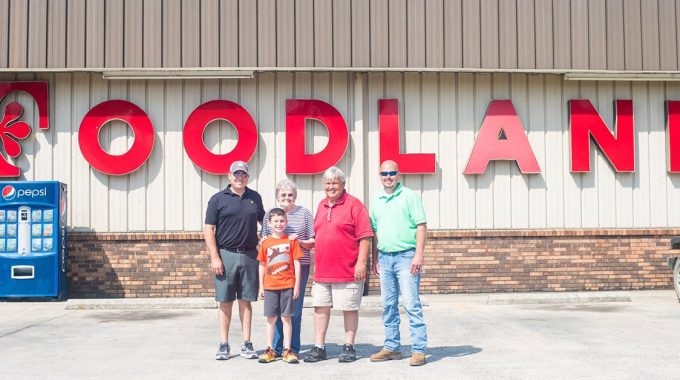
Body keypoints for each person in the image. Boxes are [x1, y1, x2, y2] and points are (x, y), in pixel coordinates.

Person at [304, 166, 374, 363]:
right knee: (320, 308)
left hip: (348, 269)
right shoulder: (321, 205)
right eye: (327, 183)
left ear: (343, 184)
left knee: (349, 308)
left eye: (335, 182)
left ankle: (349, 346)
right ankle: (319, 347)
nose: (331, 186)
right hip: (323, 270)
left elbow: (366, 236)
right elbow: (319, 235)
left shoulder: (355, 205)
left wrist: (361, 263)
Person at [369, 160, 428, 366]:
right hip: (384, 258)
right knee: (388, 305)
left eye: (392, 173)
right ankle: (392, 347)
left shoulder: (409, 196)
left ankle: (419, 350)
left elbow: (421, 226)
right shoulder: (376, 200)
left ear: (398, 174)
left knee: (411, 304)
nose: (388, 177)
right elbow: (375, 231)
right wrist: (375, 258)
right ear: (380, 175)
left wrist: (418, 255)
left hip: (406, 257)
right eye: (384, 173)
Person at [204, 160, 265, 360]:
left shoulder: (254, 198)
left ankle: (247, 343)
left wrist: (265, 243)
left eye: (243, 174)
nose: (240, 177)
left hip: (249, 255)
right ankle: (224, 344)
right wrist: (215, 257)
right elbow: (208, 229)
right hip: (226, 255)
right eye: (236, 174)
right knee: (225, 300)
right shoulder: (217, 199)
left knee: (246, 301)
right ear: (229, 176)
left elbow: (265, 224)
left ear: (248, 177)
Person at [260, 180, 315, 356]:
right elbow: (264, 241)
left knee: (294, 310)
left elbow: (313, 240)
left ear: (295, 196)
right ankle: (275, 347)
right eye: (283, 195)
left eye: (290, 194)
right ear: (277, 197)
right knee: (275, 311)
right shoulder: (270, 214)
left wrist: (297, 242)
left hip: (299, 267)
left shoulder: (305, 213)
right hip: (275, 271)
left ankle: (293, 348)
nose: (287, 198)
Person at [256, 208, 303, 364]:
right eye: (275, 221)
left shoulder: (292, 241)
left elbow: (297, 263)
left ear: (286, 222)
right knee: (270, 318)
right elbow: (262, 264)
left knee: (287, 318)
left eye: (282, 220)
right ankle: (270, 349)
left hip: (287, 285)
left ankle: (287, 350)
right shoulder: (265, 242)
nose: (279, 224)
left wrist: (296, 285)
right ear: (269, 224)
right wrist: (261, 286)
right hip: (270, 286)